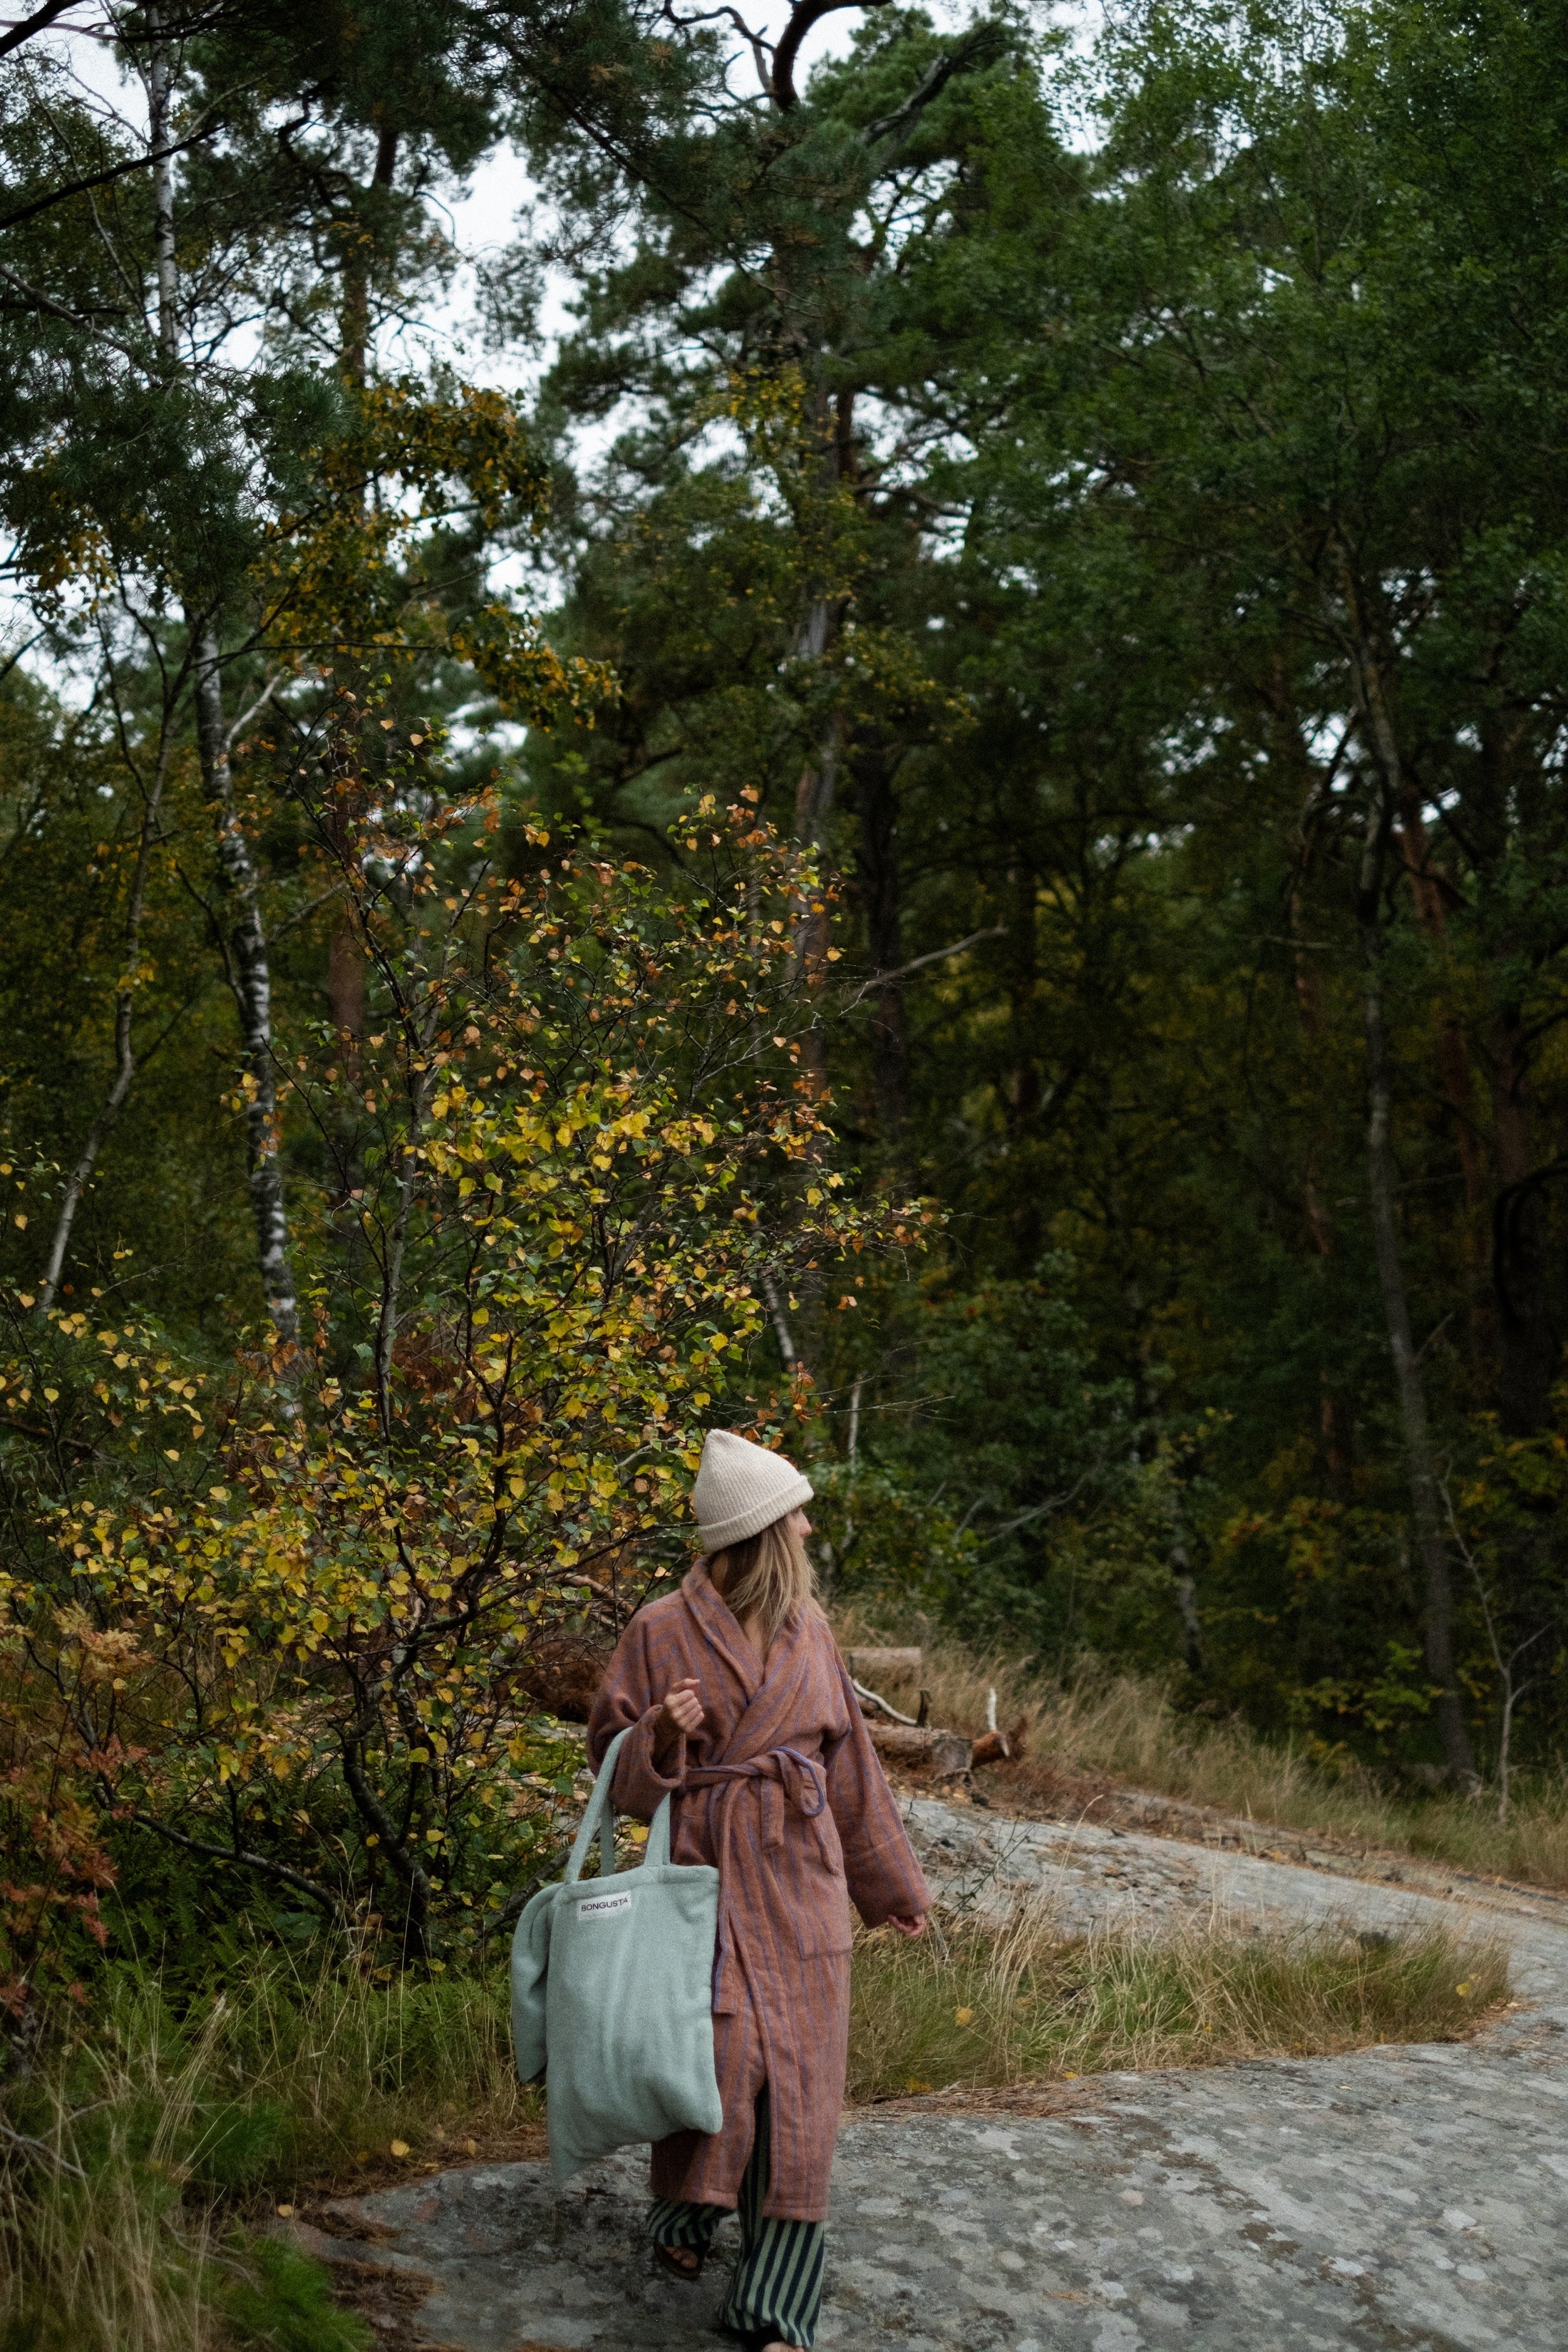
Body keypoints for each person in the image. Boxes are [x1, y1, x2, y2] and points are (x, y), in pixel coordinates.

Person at [587, 1427, 931, 2352]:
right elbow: (611, 1767)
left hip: (800, 1878)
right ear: (761, 1535)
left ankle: (779, 2307)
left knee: (802, 2089)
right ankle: (684, 2218)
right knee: (719, 2066)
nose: (811, 1529)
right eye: (797, 1516)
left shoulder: (810, 1633)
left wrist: (888, 1884)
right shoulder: (658, 1630)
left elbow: (852, 1769)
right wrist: (658, 1735)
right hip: (706, 1879)